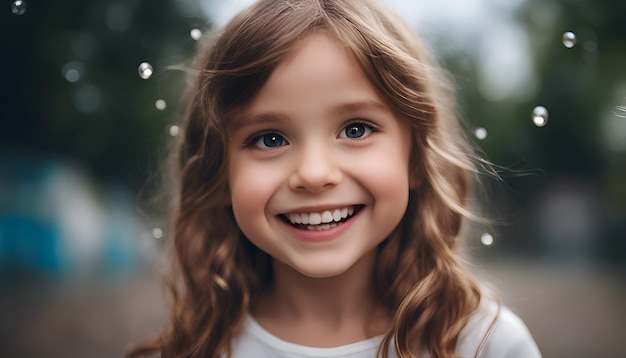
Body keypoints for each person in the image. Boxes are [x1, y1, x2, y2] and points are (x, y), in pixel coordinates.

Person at [128, 0, 541, 357]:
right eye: (269, 138)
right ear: (218, 174)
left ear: (417, 158)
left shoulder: (485, 345)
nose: (313, 174)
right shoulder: (194, 349)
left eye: (356, 129)